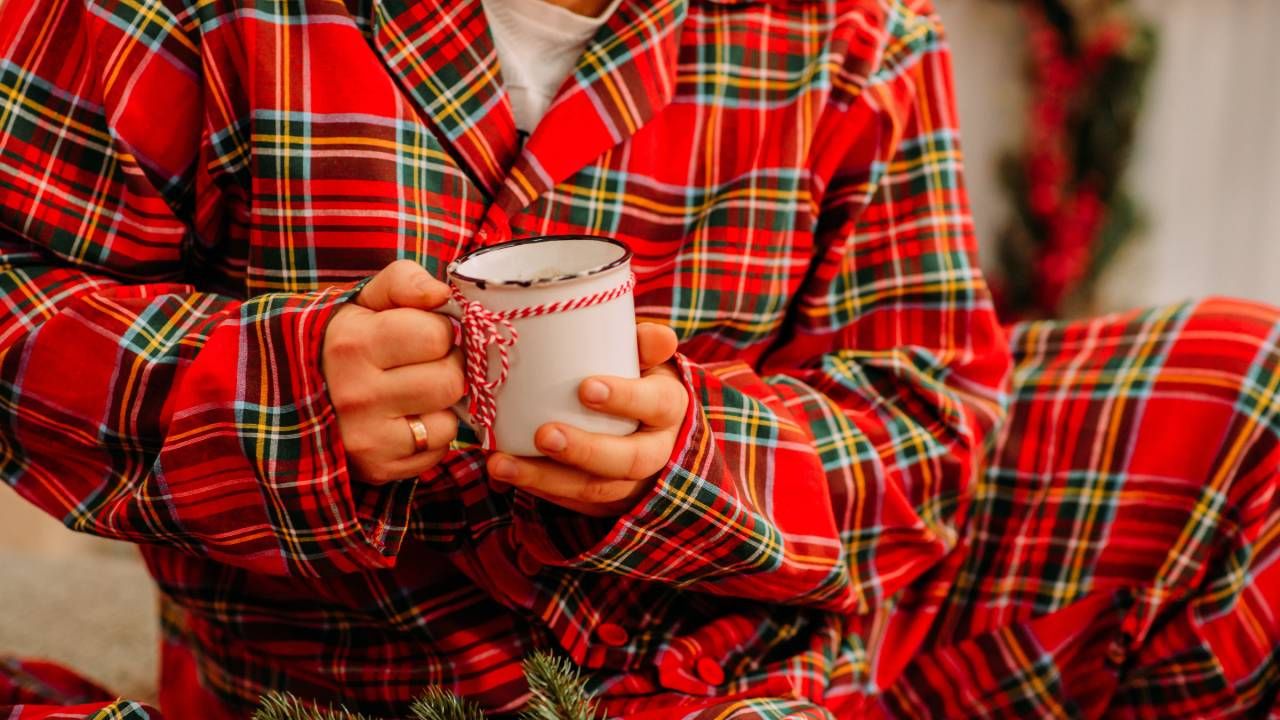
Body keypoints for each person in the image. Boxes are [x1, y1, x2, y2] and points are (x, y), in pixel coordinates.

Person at [0, 0, 1275, 717]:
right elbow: (17, 305)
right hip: (362, 666)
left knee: (1247, 395)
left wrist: (694, 458)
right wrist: (272, 392)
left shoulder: (850, 29)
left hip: (766, 623)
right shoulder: (166, 17)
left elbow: (928, 423)